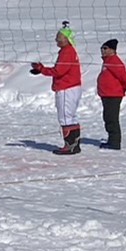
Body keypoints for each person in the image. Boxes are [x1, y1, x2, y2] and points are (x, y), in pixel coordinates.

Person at [31, 22, 83, 155]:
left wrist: (41, 69)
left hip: (66, 87)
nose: (57, 40)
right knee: (71, 116)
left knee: (65, 117)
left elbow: (59, 71)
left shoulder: (67, 52)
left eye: (59, 37)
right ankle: (75, 144)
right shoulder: (69, 51)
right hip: (72, 87)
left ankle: (70, 145)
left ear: (67, 39)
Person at [97, 39, 126, 151]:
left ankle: (114, 142)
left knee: (111, 118)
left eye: (105, 48)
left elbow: (123, 76)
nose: (102, 51)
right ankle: (112, 139)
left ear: (112, 50)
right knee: (108, 117)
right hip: (107, 95)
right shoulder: (107, 61)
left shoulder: (114, 61)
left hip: (113, 95)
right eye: (102, 48)